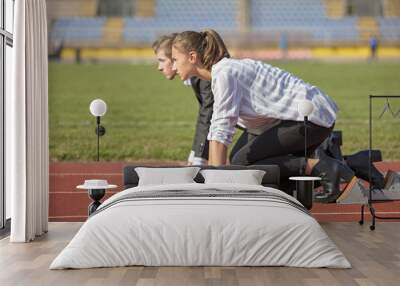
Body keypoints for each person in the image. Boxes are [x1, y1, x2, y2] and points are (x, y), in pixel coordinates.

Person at [171, 29, 355, 202]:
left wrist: (213, 187)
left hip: (310, 118)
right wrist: (211, 175)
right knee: (238, 163)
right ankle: (344, 170)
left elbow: (221, 128)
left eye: (175, 59)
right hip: (303, 118)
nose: (173, 66)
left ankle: (323, 168)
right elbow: (219, 130)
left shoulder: (224, 73)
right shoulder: (224, 71)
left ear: (192, 57)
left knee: (242, 164)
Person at [152, 33, 229, 165]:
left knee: (241, 160)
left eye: (162, 60)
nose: (159, 67)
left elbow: (208, 115)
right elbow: (205, 116)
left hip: (262, 123)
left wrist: (199, 157)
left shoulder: (204, 76)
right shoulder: (196, 76)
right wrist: (195, 153)